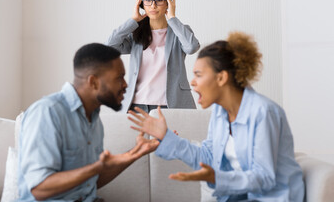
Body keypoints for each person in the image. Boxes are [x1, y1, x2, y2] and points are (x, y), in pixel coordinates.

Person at [128, 32, 305, 201]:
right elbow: (208, 156)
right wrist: (167, 138)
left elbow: (265, 178)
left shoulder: (263, 112)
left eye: (198, 74)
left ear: (221, 78)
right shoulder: (220, 114)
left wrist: (217, 178)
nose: (192, 82)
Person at [17, 43, 159, 201]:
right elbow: (39, 188)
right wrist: (95, 168)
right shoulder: (48, 112)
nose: (126, 85)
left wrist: (133, 154)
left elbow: (91, 181)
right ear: (93, 82)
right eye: (119, 77)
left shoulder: (94, 120)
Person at [106, 0, 200, 113]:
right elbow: (109, 47)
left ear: (168, 2)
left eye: (159, 0)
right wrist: (133, 21)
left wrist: (172, 18)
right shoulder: (135, 34)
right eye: (148, 0)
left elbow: (192, 47)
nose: (153, 5)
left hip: (172, 105)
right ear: (141, 3)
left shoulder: (179, 32)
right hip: (137, 105)